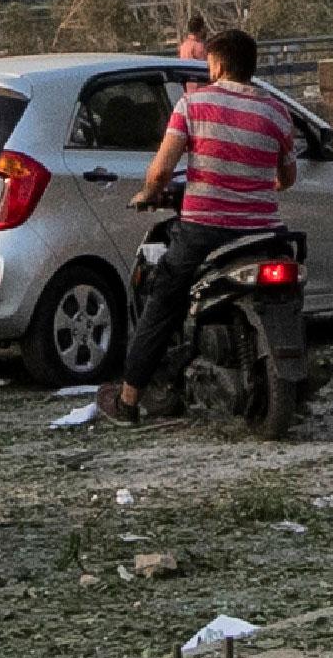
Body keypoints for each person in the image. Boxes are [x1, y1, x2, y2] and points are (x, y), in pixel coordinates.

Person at [107, 26, 296, 418]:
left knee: (164, 300)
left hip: (205, 230)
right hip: (266, 236)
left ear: (219, 64)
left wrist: (148, 192)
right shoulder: (277, 111)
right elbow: (287, 177)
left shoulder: (193, 105)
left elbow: (160, 172)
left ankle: (127, 400)